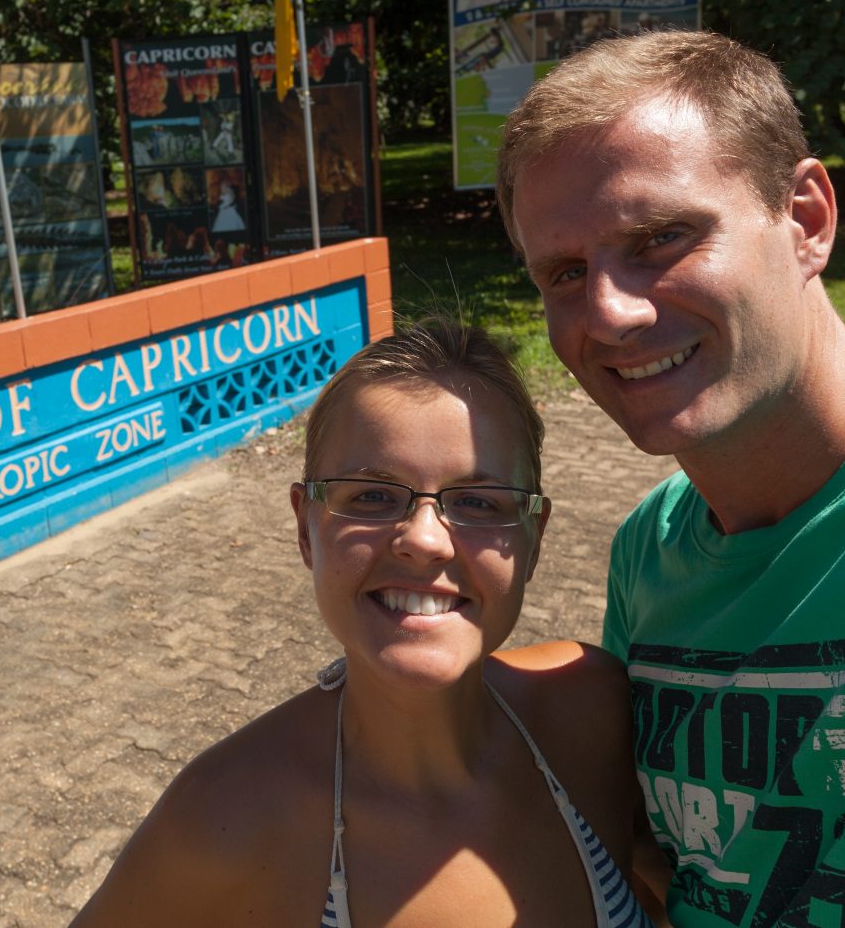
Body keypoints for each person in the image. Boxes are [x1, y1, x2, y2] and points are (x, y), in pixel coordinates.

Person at [498, 29, 845, 925]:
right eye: (566, 272)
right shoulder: (652, 549)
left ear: (806, 219)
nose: (610, 313)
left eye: (661, 237)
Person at [75, 319, 655, 927]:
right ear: (306, 527)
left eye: (478, 502)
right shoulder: (223, 820)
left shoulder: (592, 708)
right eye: (372, 496)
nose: (425, 541)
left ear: (533, 538)